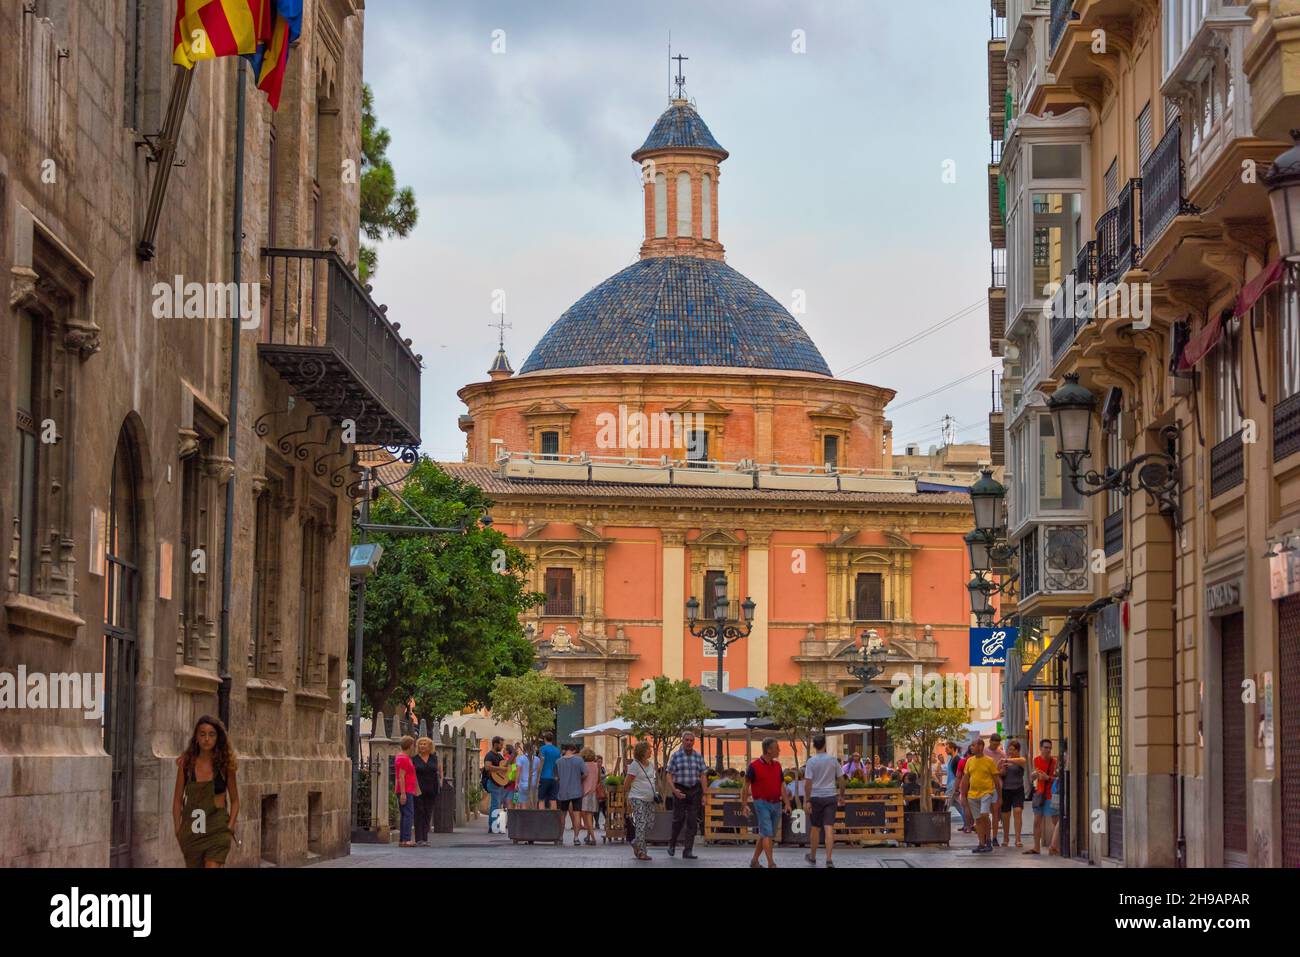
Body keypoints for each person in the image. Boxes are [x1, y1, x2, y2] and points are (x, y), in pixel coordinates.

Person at [173, 714, 240, 868]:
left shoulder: (225, 765)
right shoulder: (187, 764)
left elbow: (235, 801)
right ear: (196, 737)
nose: (206, 739)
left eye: (211, 734)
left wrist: (229, 827)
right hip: (192, 831)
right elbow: (177, 800)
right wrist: (178, 829)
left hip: (217, 830)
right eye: (202, 734)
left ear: (217, 738)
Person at [741, 737, 790, 869]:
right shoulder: (753, 766)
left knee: (765, 834)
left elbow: (781, 786)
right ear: (769, 750)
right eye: (777, 748)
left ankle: (754, 861)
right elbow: (745, 786)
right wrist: (744, 804)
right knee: (767, 833)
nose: (779, 750)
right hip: (761, 803)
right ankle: (771, 863)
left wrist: (787, 803)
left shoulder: (778, 765)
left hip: (776, 803)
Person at [803, 733, 845, 868]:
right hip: (830, 797)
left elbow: (807, 783)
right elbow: (842, 780)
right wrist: (841, 796)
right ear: (825, 745)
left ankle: (813, 857)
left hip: (815, 797)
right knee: (829, 828)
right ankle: (829, 859)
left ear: (814, 746)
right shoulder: (833, 760)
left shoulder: (811, 762)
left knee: (815, 828)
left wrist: (807, 800)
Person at [665, 730, 707, 859]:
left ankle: (688, 850)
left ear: (694, 742)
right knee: (678, 819)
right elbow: (669, 774)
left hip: (695, 791)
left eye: (691, 740)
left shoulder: (698, 756)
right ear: (682, 741)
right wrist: (674, 790)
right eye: (686, 740)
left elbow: (703, 775)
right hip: (680, 790)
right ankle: (672, 844)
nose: (689, 742)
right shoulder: (676, 756)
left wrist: (705, 794)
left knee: (692, 821)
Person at [960, 737, 1001, 854]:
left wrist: (1000, 797)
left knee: (984, 815)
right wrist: (963, 795)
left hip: (987, 792)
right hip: (972, 794)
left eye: (973, 745)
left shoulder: (989, 761)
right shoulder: (969, 761)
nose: (971, 747)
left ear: (981, 747)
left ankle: (988, 840)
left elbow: (996, 780)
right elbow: (965, 779)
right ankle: (981, 843)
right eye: (971, 745)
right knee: (977, 819)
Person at [624, 740, 658, 862]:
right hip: (637, 798)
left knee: (649, 824)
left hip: (650, 799)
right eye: (649, 749)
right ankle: (642, 852)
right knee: (641, 824)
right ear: (642, 751)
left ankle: (635, 842)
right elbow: (626, 783)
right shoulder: (635, 765)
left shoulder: (650, 764)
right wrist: (627, 797)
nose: (651, 750)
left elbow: (652, 780)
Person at [1026, 739, 1057, 855]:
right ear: (1040, 748)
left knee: (1056, 821)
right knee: (1037, 822)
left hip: (1051, 795)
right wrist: (1033, 776)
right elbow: (1033, 777)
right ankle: (1036, 847)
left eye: (1049, 748)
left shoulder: (1055, 762)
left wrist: (1047, 778)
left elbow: (1058, 780)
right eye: (1046, 747)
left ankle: (1055, 846)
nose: (1048, 750)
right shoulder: (1036, 760)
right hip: (1040, 794)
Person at [556, 743, 588, 846]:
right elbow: (586, 773)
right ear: (574, 750)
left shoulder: (558, 761)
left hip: (563, 791)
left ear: (565, 750)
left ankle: (560, 836)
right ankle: (576, 838)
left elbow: (557, 777)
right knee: (577, 814)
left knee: (562, 815)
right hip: (576, 791)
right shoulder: (579, 760)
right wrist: (579, 779)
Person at [998, 738, 1027, 849]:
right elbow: (999, 773)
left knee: (1018, 811)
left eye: (1013, 750)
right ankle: (1006, 838)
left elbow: (1022, 762)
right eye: (1009, 750)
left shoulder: (1020, 760)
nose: (1010, 752)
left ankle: (1018, 839)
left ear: (1018, 750)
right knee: (1005, 816)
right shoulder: (1005, 761)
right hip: (1006, 790)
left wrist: (1008, 760)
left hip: (1018, 789)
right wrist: (1002, 770)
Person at [413, 737, 440, 846]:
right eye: (420, 744)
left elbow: (438, 771)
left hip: (431, 789)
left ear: (429, 746)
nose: (422, 746)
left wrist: (440, 783)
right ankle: (418, 838)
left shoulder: (434, 758)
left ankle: (425, 838)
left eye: (425, 744)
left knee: (428, 813)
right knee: (419, 812)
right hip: (418, 789)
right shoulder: (414, 758)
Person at [481, 736, 509, 832]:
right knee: (495, 804)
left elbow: (505, 765)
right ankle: (493, 827)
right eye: (501, 744)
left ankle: (495, 826)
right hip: (492, 782)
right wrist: (501, 769)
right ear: (495, 744)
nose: (502, 747)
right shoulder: (489, 755)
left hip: (499, 783)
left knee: (497, 805)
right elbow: (487, 767)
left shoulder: (499, 756)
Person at [395, 735, 419, 847]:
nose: (414, 747)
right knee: (408, 814)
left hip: (406, 789)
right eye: (413, 745)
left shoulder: (402, 757)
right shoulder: (403, 758)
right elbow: (401, 776)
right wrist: (403, 793)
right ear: (410, 746)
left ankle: (403, 840)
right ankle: (406, 839)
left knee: (405, 814)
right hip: (406, 790)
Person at [984, 734, 1006, 846]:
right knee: (984, 813)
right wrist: (995, 770)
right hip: (985, 786)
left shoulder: (1002, 754)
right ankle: (986, 836)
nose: (996, 746)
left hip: (997, 786)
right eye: (994, 743)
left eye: (998, 744)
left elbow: (1003, 772)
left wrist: (996, 770)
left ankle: (995, 837)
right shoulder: (984, 752)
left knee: (995, 813)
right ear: (990, 741)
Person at [580, 747, 600, 845]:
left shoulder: (584, 765)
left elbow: (583, 777)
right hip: (593, 792)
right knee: (590, 815)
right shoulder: (596, 766)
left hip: (585, 792)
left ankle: (593, 838)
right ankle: (588, 836)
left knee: (585, 816)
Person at [537, 731, 561, 810]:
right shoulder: (557, 750)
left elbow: (542, 761)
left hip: (544, 776)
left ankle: (542, 819)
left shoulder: (542, 749)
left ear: (544, 739)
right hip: (554, 777)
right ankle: (553, 820)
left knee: (541, 799)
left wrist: (538, 776)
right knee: (553, 799)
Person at [515, 741, 539, 809]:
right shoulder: (537, 759)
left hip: (523, 784)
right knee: (531, 803)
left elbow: (518, 772)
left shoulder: (520, 758)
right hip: (534, 784)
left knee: (523, 803)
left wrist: (516, 783)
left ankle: (524, 818)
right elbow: (538, 771)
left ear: (524, 749)